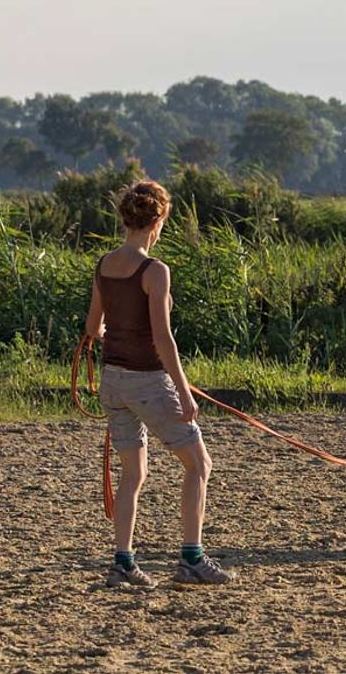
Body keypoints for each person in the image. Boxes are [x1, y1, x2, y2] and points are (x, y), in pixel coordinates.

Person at [84, 180, 234, 587]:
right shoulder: (155, 271)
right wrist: (184, 392)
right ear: (158, 222)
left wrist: (115, 338)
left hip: (112, 382)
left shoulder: (104, 265)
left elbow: (93, 327)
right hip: (147, 382)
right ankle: (191, 558)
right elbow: (162, 338)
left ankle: (123, 562)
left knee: (133, 474)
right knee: (199, 464)